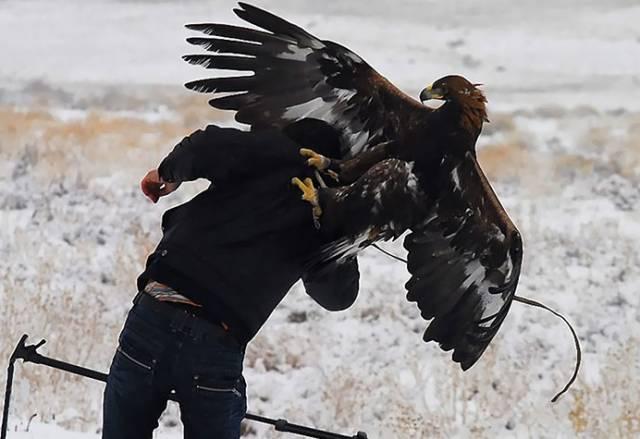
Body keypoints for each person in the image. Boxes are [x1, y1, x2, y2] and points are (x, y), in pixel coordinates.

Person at [102, 119, 360, 439]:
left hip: (153, 312)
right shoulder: (324, 206)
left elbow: (206, 144)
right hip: (216, 337)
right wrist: (343, 231)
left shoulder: (267, 151)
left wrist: (168, 172)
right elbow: (337, 296)